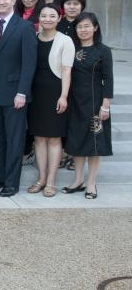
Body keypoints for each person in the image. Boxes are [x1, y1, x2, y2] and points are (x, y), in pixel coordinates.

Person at [0, 0, 37, 197]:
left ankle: (11, 183)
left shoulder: (24, 27)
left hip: (15, 94)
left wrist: (22, 92)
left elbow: (29, 63)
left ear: (14, 0)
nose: (2, 2)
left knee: (14, 140)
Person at [63, 13, 113, 200]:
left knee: (94, 143)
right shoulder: (71, 48)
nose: (83, 30)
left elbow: (108, 79)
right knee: (76, 141)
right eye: (79, 27)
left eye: (86, 26)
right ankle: (78, 180)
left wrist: (106, 105)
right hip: (74, 101)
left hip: (95, 101)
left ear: (95, 28)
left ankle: (91, 183)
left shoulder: (103, 50)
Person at [27, 4, 74, 197]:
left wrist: (63, 96)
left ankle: (52, 181)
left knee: (54, 139)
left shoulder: (65, 40)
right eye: (44, 15)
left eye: (52, 16)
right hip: (35, 94)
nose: (47, 19)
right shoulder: (34, 37)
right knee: (38, 138)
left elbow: (66, 70)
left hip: (55, 92)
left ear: (59, 18)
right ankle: (41, 178)